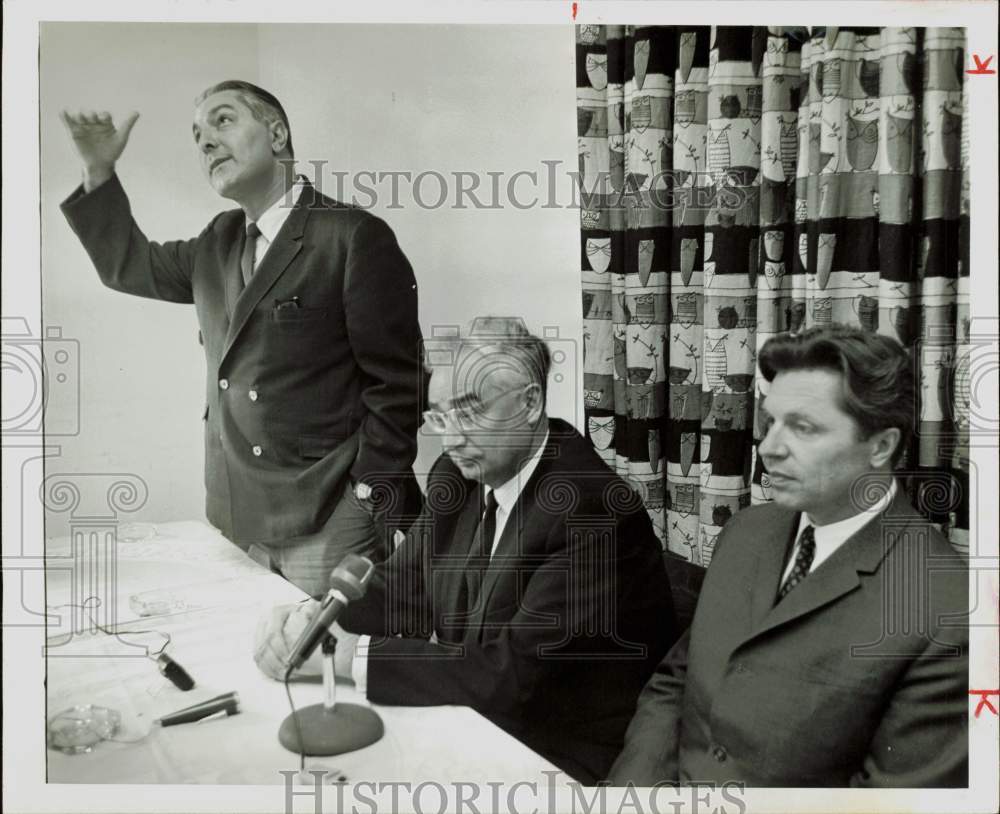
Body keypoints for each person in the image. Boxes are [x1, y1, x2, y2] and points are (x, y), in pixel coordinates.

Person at [254, 317, 678, 784]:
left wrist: (349, 658)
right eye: (440, 415)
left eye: (470, 412)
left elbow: (509, 676)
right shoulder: (456, 475)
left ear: (530, 403)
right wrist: (316, 620)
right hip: (475, 720)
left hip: (555, 753)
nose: (451, 437)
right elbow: (403, 587)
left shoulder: (590, 512)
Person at [59, 81, 424, 596]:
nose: (205, 141)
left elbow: (400, 383)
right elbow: (129, 266)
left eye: (223, 121)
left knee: (319, 665)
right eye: (196, 135)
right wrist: (99, 172)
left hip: (327, 517)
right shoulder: (217, 240)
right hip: (237, 513)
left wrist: (365, 494)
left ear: (276, 134)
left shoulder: (352, 236)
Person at [608, 325, 969, 788]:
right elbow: (676, 684)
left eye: (803, 428)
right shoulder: (746, 532)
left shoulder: (948, 608)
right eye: (770, 422)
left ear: (881, 446)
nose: (769, 448)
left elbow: (888, 802)